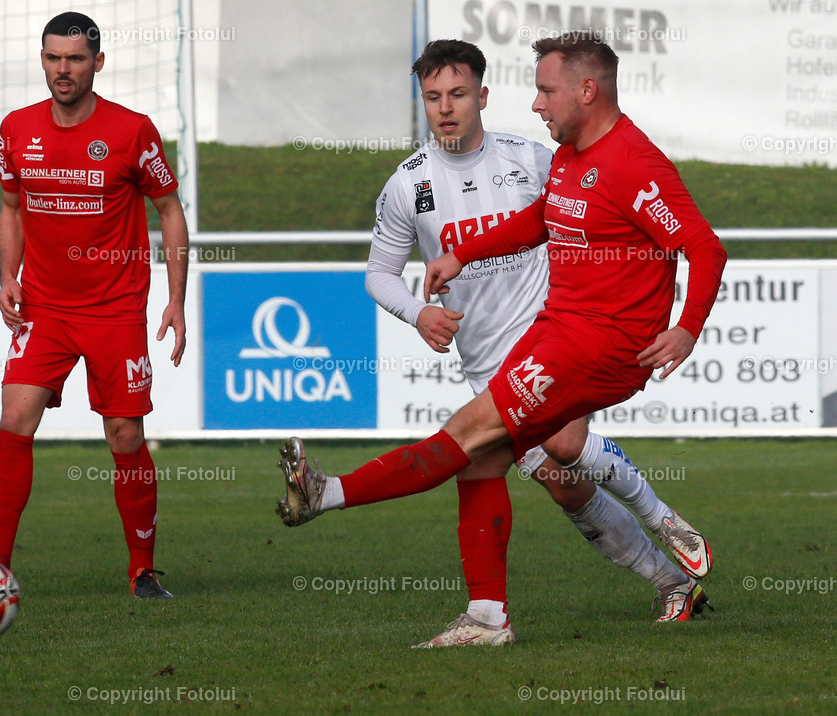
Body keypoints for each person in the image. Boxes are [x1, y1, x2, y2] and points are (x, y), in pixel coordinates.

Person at [276, 33, 727, 644]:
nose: (445, 107)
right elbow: (539, 220)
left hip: (574, 345)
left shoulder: (574, 157)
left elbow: (701, 245)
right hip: (518, 349)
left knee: (503, 443)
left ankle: (327, 495)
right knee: (522, 468)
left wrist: (685, 328)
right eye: (433, 96)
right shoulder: (437, 179)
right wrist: (447, 274)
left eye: (458, 93)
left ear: (481, 97)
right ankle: (528, 609)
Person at [0, 12, 188, 599]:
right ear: (42, 60)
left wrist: (174, 299)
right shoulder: (16, 129)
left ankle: (142, 569)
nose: (63, 70)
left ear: (98, 62)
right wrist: (8, 277)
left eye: (75, 59)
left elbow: (169, 211)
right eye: (53, 58)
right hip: (43, 308)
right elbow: (11, 208)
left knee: (124, 434)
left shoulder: (132, 131)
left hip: (115, 309)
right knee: (14, 418)